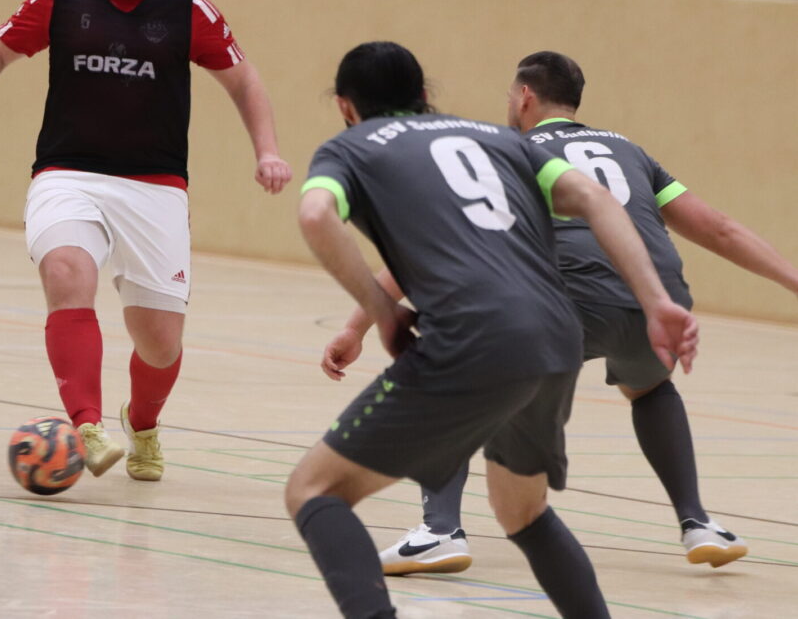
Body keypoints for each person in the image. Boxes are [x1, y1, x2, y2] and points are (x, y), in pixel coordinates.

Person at [286, 41, 698, 619]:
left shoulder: (350, 147)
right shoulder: (502, 140)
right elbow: (597, 199)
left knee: (312, 490)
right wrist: (655, 301)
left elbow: (314, 214)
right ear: (424, 95)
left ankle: (425, 548)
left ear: (346, 106)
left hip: (473, 336)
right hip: (558, 333)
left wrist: (381, 312)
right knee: (523, 511)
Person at [376, 50, 798, 578]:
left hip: (572, 300)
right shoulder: (629, 150)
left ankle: (439, 531)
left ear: (524, 96)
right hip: (658, 301)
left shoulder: (510, 149)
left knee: (456, 380)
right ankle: (699, 523)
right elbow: (719, 228)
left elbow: (441, 238)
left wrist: (361, 319)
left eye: (509, 95)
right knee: (650, 388)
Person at [0, 0, 292, 484]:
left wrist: (268, 151)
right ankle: (89, 426)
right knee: (66, 272)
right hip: (68, 172)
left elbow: (244, 81)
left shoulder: (188, 11)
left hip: (155, 186)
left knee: (159, 344)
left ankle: (143, 424)